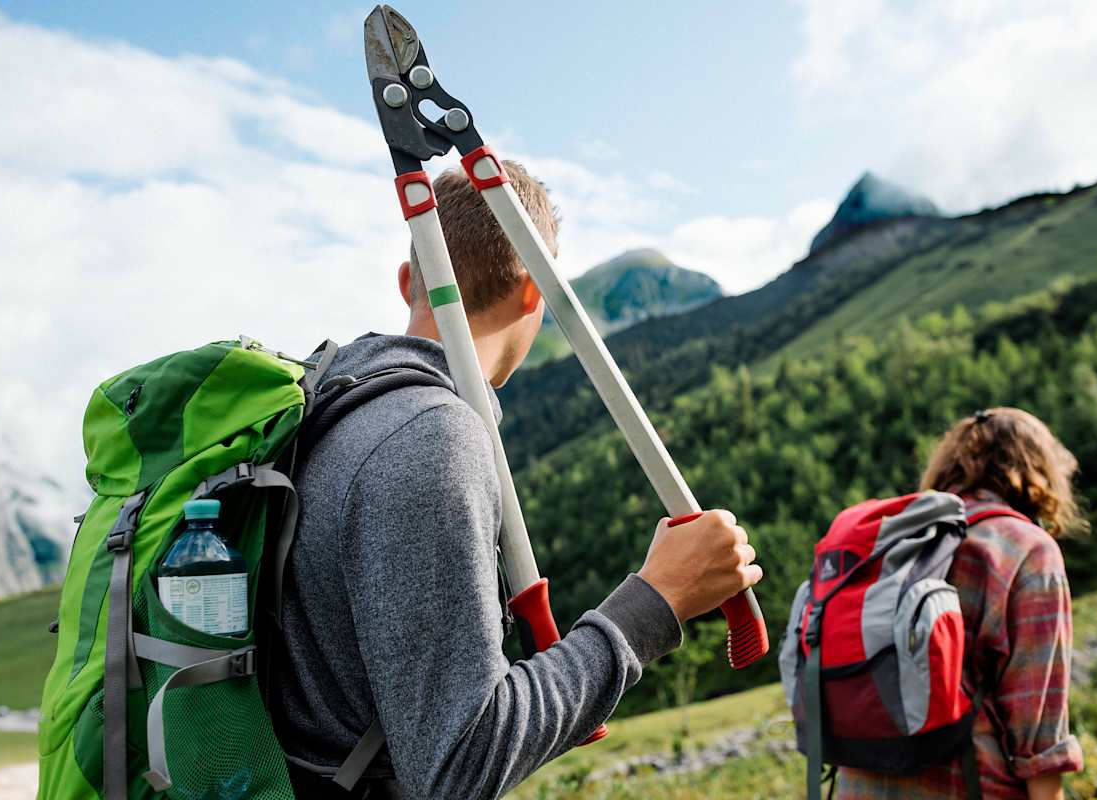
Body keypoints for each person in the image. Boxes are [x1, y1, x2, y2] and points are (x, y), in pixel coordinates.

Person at [271, 161, 763, 799]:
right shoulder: (431, 435)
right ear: (534, 294)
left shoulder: (333, 407)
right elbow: (459, 767)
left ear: (407, 283)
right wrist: (657, 599)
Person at [837, 408, 1084, 799]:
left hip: (858, 783)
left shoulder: (894, 540)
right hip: (963, 784)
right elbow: (1038, 723)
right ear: (1039, 469)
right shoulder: (1024, 549)